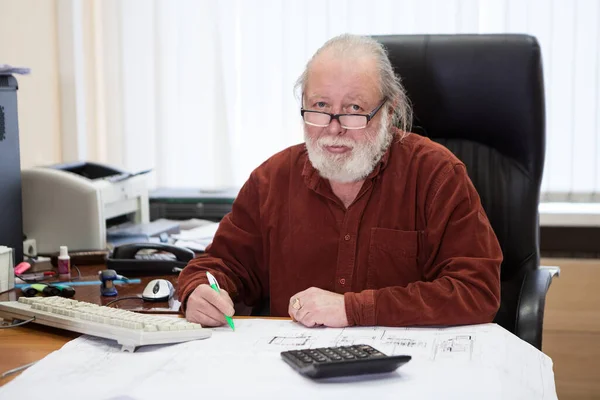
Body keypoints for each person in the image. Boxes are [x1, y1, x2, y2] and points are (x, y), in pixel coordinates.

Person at [178, 33, 502, 329]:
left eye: (354, 109)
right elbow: (218, 265)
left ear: (389, 112)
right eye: (320, 107)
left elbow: (476, 290)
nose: (333, 128)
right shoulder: (270, 181)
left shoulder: (436, 175)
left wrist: (353, 309)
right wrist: (199, 291)